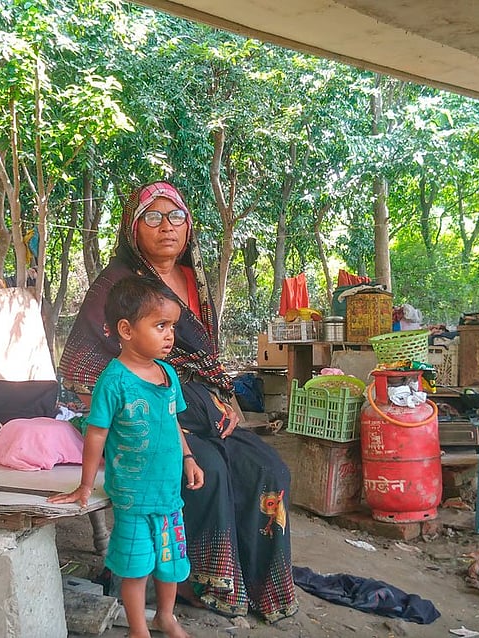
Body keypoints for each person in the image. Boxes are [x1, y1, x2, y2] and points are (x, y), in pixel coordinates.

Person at [60, 181, 299, 622]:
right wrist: (153, 420)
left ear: (188, 226)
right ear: (133, 228)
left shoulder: (194, 279)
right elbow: (80, 363)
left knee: (269, 468)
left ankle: (261, 580)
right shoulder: (116, 284)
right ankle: (204, 585)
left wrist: (224, 402)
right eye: (152, 217)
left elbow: (202, 356)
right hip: (149, 412)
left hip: (205, 405)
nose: (166, 227)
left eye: (176, 217)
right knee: (206, 474)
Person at [49, 276, 204, 638]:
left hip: (169, 495)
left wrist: (189, 458)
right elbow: (96, 434)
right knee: (135, 568)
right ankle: (138, 629)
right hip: (133, 497)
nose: (170, 335)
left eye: (172, 327)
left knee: (170, 563)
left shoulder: (167, 374)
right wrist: (85, 485)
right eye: (160, 325)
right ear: (126, 329)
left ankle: (166, 616)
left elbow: (173, 422)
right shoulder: (113, 381)